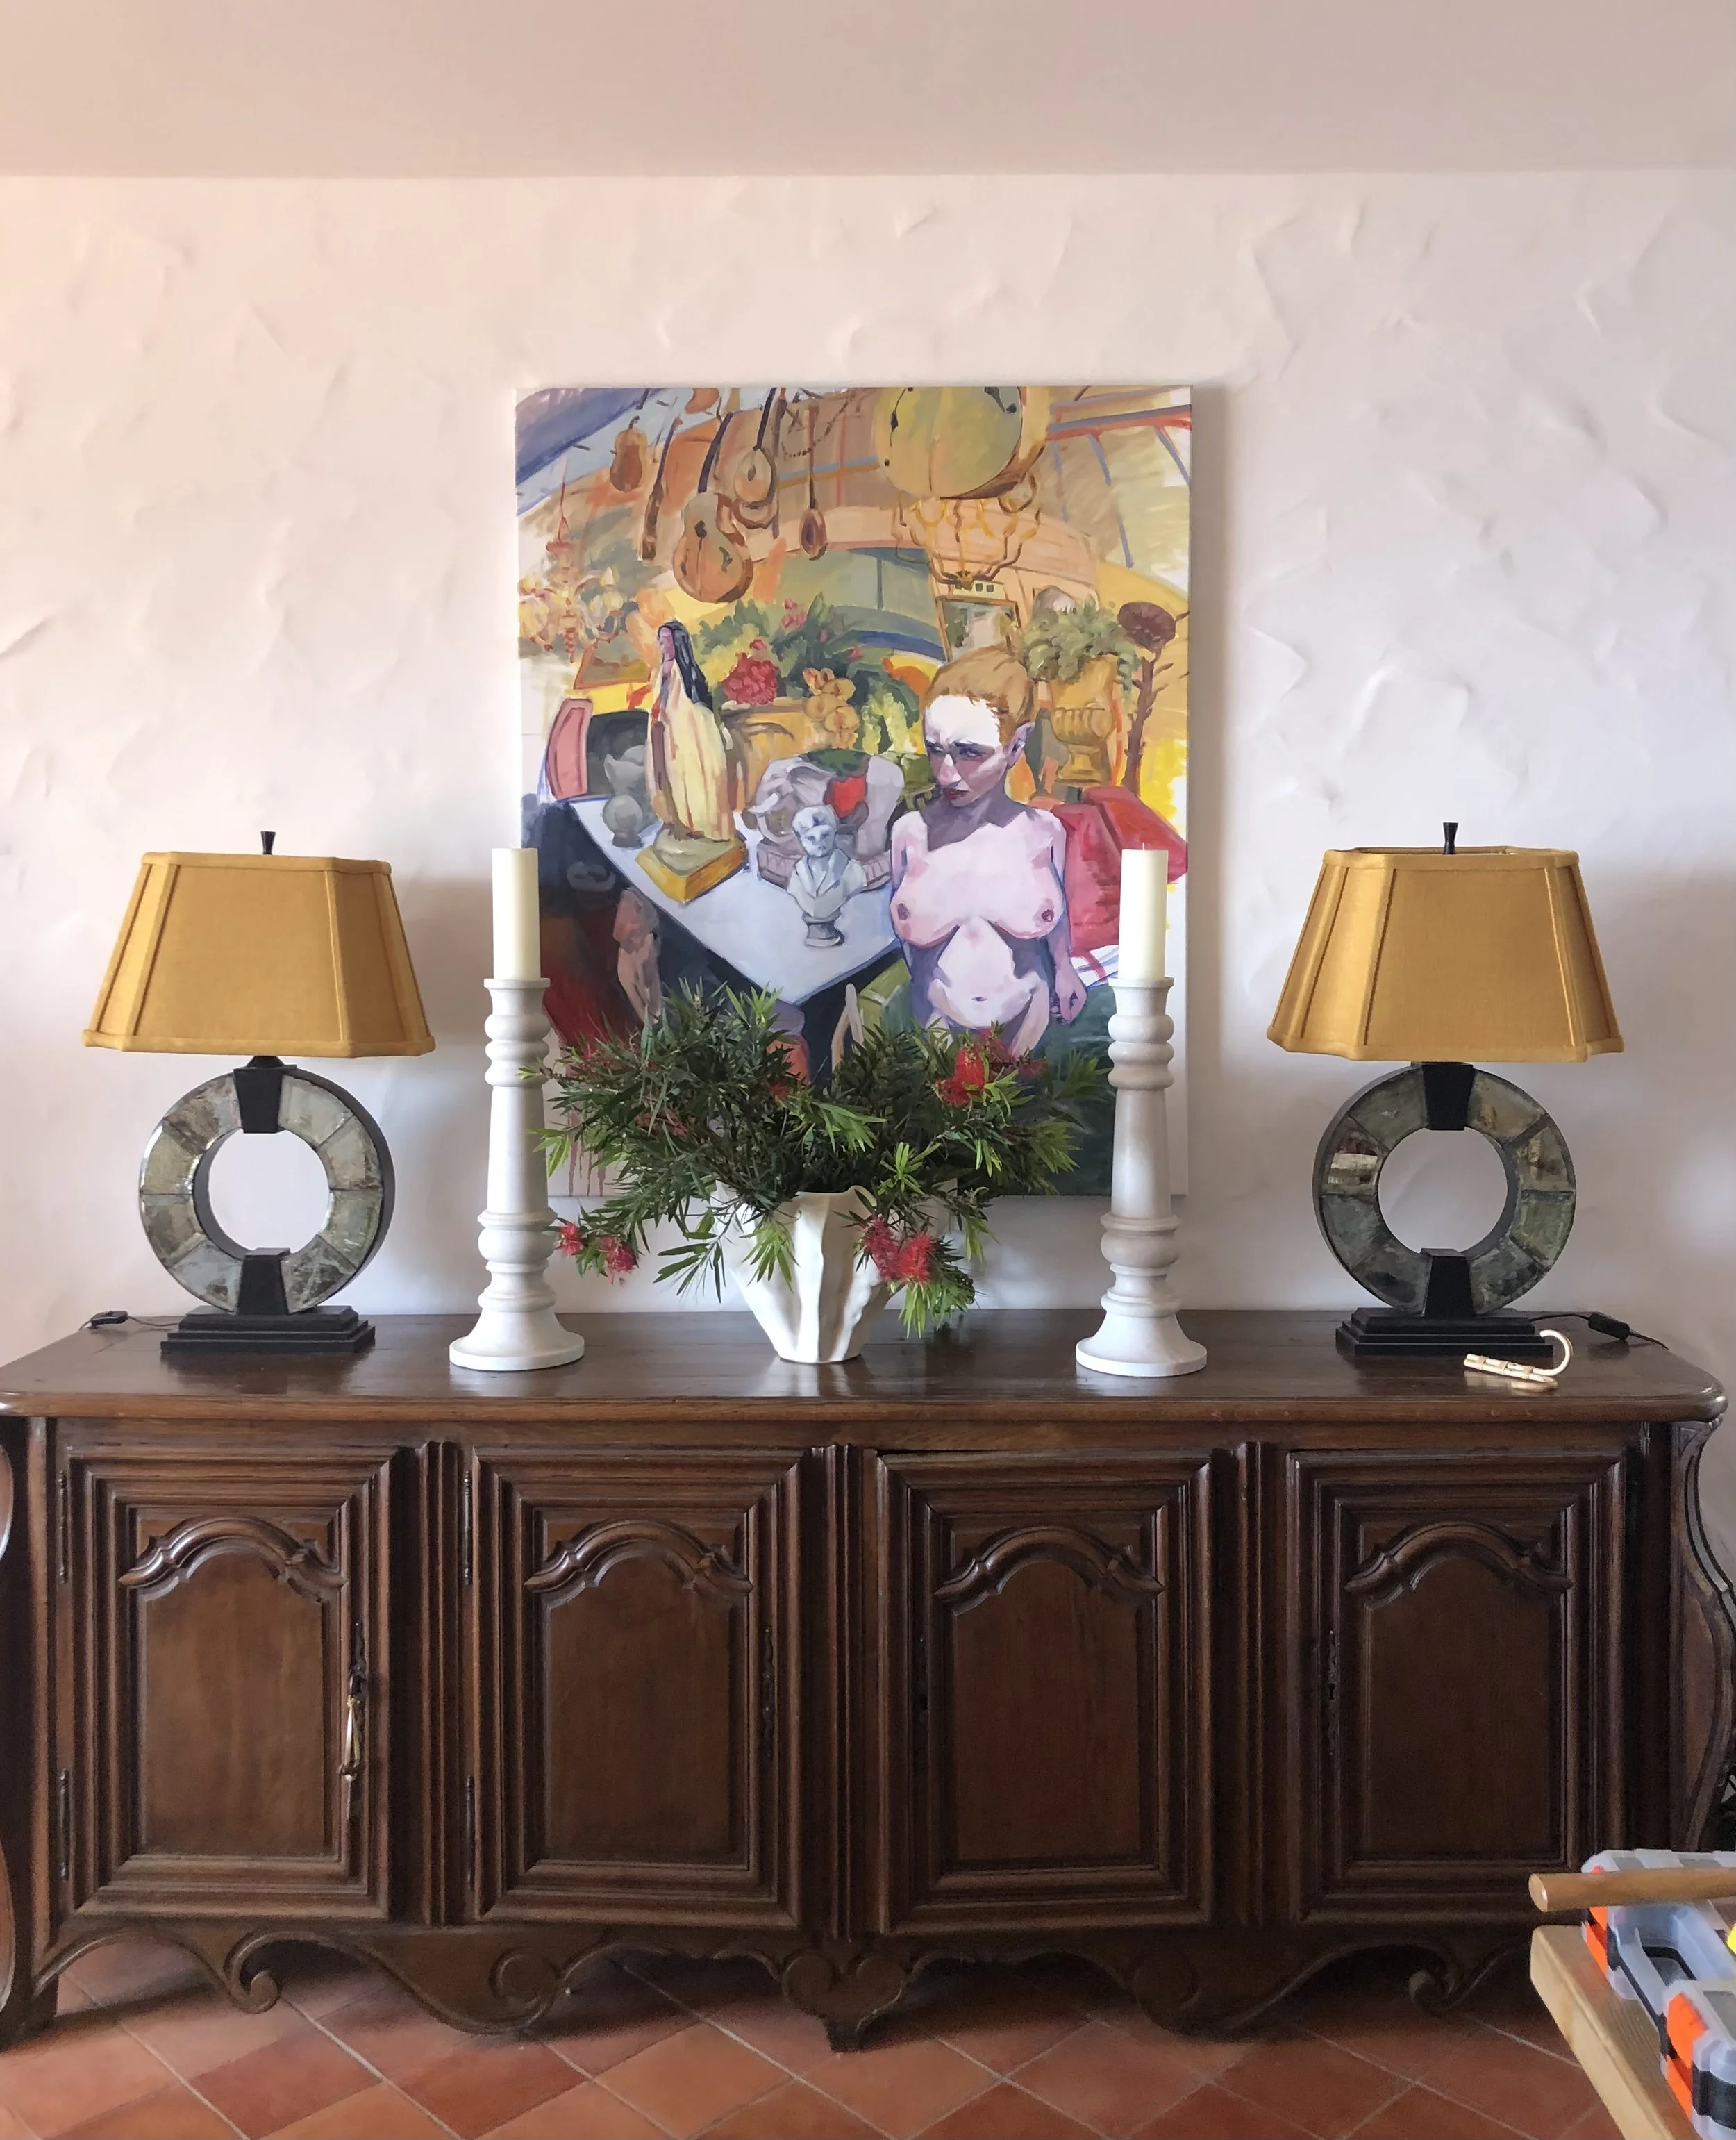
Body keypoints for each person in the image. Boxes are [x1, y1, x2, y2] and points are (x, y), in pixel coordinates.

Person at [888, 647, 1085, 1054]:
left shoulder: (1045, 833)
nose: (945, 773)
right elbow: (906, 948)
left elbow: (1058, 916)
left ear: (1017, 746)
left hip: (1029, 1035)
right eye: (935, 749)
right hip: (935, 1041)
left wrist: (1065, 969)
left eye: (969, 753)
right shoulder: (909, 834)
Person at [787, 803, 867, 947]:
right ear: (801, 841)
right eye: (811, 838)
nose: (820, 843)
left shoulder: (853, 871)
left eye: (825, 835)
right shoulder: (797, 874)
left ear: (835, 833)